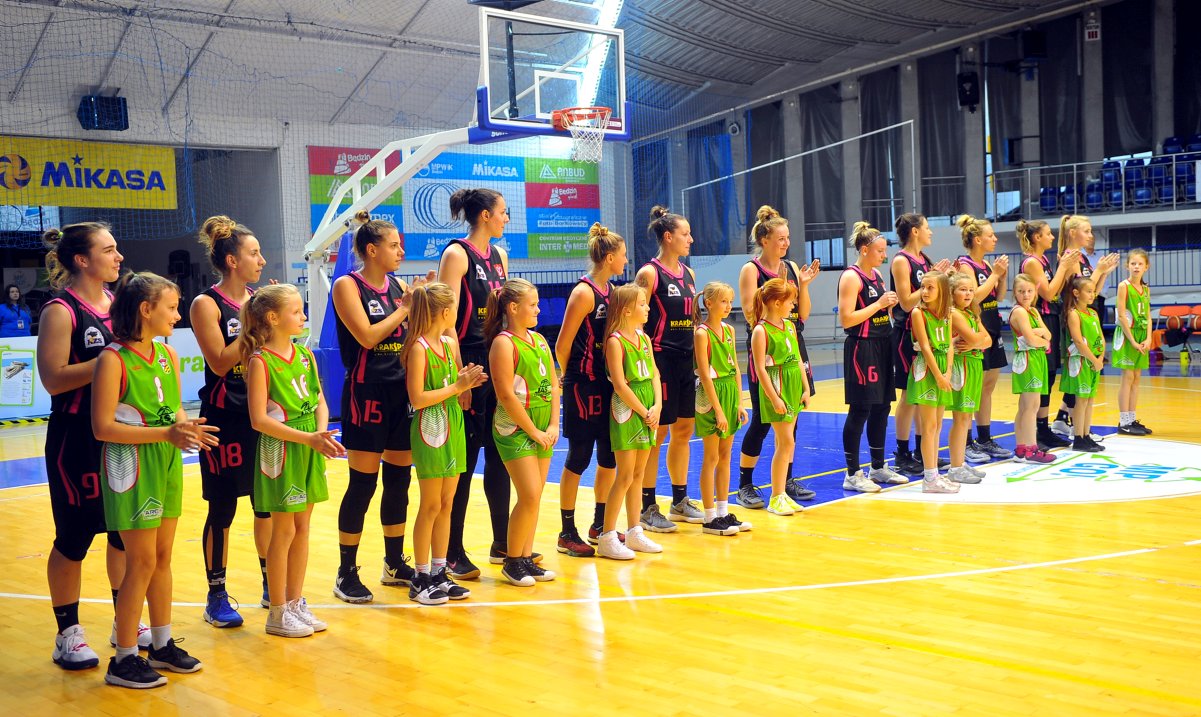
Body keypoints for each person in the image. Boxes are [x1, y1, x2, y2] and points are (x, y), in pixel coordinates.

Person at [93, 272, 216, 687]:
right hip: (130, 463)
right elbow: (102, 428)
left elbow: (175, 410)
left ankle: (161, 644)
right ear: (146, 310)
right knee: (141, 561)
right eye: (172, 307)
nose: (177, 316)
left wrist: (187, 428)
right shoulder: (113, 359)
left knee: (162, 557)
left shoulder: (167, 354)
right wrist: (167, 433)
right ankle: (124, 657)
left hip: (165, 460)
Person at [37, 224, 145, 671]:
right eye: (109, 249)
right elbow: (53, 379)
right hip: (76, 436)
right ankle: (68, 634)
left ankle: (126, 622)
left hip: (119, 434)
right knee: (74, 537)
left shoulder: (121, 306)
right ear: (82, 260)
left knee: (123, 532)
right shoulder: (61, 311)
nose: (119, 257)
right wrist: (109, 359)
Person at [331, 213, 425, 604]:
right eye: (393, 245)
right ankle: (346, 572)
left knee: (399, 481)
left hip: (400, 393)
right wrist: (405, 308)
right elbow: (368, 337)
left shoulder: (400, 286)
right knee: (363, 484)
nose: (401, 251)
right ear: (372, 250)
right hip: (365, 394)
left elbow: (414, 336)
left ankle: (394, 563)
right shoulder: (346, 285)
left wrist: (424, 305)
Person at [242, 284, 343, 636]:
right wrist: (308, 438)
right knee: (283, 530)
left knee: (302, 528)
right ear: (273, 318)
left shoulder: (305, 355)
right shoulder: (260, 361)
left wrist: (320, 434)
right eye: (296, 311)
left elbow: (320, 401)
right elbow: (259, 420)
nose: (303, 316)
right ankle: (277, 610)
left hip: (309, 444)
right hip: (282, 447)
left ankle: (296, 602)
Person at [190, 216, 271, 628]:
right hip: (223, 420)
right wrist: (256, 324)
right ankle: (216, 595)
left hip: (261, 418)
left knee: (267, 506)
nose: (262, 260)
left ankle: (271, 583)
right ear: (232, 260)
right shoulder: (206, 304)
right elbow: (221, 362)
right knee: (222, 509)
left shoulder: (260, 298)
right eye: (254, 253)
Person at [437, 188, 511, 579]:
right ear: (485, 215)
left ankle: (503, 544)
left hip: (497, 358)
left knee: (500, 454)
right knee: (464, 463)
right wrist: (459, 379)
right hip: (466, 360)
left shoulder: (500, 256)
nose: (506, 219)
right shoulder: (456, 255)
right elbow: (445, 321)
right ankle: (452, 551)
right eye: (503, 212)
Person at [402, 283, 487, 604]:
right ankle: (420, 577)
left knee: (447, 502)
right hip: (430, 427)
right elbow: (417, 398)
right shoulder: (419, 348)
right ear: (446, 312)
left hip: (453, 423)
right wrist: (457, 387)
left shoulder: (450, 344)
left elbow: (454, 385)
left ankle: (439, 572)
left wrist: (468, 381)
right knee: (430, 504)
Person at [736, 206, 819, 508]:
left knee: (791, 421)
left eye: (788, 238)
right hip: (767, 344)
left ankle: (785, 482)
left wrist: (802, 286)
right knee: (762, 420)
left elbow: (803, 313)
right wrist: (774, 300)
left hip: (792, 340)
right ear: (765, 240)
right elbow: (750, 313)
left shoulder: (792, 267)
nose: (786, 243)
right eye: (781, 238)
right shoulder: (751, 270)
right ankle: (745, 484)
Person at [554, 223, 626, 557]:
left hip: (607, 385)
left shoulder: (613, 292)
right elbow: (562, 344)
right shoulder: (584, 293)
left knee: (609, 457)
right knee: (579, 457)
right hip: (582, 386)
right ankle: (567, 531)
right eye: (623, 255)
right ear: (609, 257)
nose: (625, 261)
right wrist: (570, 377)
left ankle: (600, 524)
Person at [487, 279, 560, 586]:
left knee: (535, 496)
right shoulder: (503, 343)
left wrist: (554, 424)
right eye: (533, 305)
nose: (538, 310)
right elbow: (505, 395)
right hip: (515, 426)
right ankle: (512, 561)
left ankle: (526, 557)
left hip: (542, 423)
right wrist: (533, 431)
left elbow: (554, 384)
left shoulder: (540, 340)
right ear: (513, 308)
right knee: (528, 494)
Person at [635, 206, 701, 532]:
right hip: (659, 359)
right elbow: (635, 317)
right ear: (668, 237)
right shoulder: (649, 273)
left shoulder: (689, 274)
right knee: (657, 433)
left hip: (685, 361)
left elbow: (693, 318)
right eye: (685, 234)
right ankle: (647, 506)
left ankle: (679, 500)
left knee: (684, 430)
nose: (691, 239)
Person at [837, 223, 906, 494]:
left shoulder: (876, 274)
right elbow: (846, 319)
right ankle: (852, 474)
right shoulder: (851, 277)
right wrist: (878, 304)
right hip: (861, 348)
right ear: (864, 250)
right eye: (879, 251)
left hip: (883, 344)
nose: (884, 255)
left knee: (882, 407)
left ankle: (877, 467)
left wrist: (887, 308)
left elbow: (878, 312)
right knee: (861, 409)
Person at [597, 284, 663, 559]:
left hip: (648, 407)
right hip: (627, 409)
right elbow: (620, 385)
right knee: (624, 475)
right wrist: (644, 411)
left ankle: (635, 531)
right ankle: (607, 536)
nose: (648, 308)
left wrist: (658, 406)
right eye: (642, 304)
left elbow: (655, 374)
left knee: (639, 474)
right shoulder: (615, 341)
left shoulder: (644, 338)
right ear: (626, 310)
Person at [890, 213, 952, 477]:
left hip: (929, 332)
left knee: (923, 397)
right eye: (927, 227)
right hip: (907, 333)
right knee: (909, 395)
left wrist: (940, 278)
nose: (931, 232)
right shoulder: (901, 260)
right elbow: (906, 303)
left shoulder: (924, 259)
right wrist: (931, 280)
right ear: (915, 231)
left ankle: (921, 451)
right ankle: (902, 453)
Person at [1050, 215, 1120, 441]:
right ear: (1073, 233)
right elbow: (1078, 290)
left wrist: (1104, 272)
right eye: (1087, 231)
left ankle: (1067, 421)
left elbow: (1093, 291)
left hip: (1087, 316)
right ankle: (1076, 428)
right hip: (1073, 319)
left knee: (1084, 378)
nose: (1091, 235)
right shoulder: (1069, 258)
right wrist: (1099, 270)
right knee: (1078, 374)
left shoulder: (1083, 258)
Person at [1018, 219, 1081, 450]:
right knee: (1042, 376)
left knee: (1050, 375)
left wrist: (1068, 270)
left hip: (1051, 317)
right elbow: (1047, 293)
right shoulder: (1032, 262)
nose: (1052, 237)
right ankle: (1037, 431)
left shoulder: (1043, 260)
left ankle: (1043, 429)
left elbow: (1056, 290)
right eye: (1048, 234)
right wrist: (1063, 267)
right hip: (1040, 318)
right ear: (1037, 237)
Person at [953, 215, 1012, 462]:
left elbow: (998, 296)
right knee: (973, 387)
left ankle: (985, 438)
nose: (995, 239)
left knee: (988, 386)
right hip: (975, 326)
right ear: (978, 239)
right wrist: (994, 275)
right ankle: (966, 442)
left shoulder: (987, 265)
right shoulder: (965, 265)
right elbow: (974, 297)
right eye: (990, 235)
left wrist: (1002, 276)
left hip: (992, 325)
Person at [693, 281, 750, 535]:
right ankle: (709, 517)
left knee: (726, 455)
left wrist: (739, 402)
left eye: (730, 301)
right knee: (712, 457)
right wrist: (717, 409)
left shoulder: (729, 330)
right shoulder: (702, 333)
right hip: (711, 394)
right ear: (709, 303)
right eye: (724, 301)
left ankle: (723, 512)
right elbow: (705, 374)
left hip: (729, 393)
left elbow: (736, 367)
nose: (728, 306)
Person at [749, 278, 809, 514]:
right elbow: (760, 369)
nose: (793, 306)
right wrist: (774, 398)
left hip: (793, 384)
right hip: (777, 385)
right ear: (776, 303)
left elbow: (798, 358)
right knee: (786, 442)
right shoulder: (761, 331)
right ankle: (776, 497)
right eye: (790, 302)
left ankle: (781, 493)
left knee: (786, 442)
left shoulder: (790, 326)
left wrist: (805, 387)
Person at [907, 272, 958, 493]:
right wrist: (938, 375)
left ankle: (934, 474)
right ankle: (929, 478)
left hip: (943, 368)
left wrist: (948, 371)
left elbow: (950, 345)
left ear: (942, 290)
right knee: (928, 426)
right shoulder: (918, 312)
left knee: (937, 425)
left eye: (930, 287)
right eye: (923, 287)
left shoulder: (948, 314)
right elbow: (926, 348)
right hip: (928, 369)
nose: (925, 291)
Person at [947, 272, 990, 486]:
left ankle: (960, 462)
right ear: (952, 292)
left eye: (971, 290)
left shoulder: (972, 313)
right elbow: (976, 338)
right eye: (963, 289)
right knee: (961, 417)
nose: (968, 293)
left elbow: (988, 341)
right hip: (961, 365)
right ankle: (955, 468)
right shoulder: (954, 313)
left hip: (974, 363)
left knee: (967, 418)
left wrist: (976, 342)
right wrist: (977, 341)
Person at [1009, 274, 1056, 464]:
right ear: (1015, 293)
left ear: (1035, 291)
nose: (1026, 294)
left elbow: (1049, 334)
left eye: (1029, 291)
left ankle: (1021, 449)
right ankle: (1031, 449)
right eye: (1021, 291)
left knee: (1027, 407)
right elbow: (1031, 339)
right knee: (1030, 407)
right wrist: (1043, 341)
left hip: (1037, 359)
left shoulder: (1034, 311)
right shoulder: (1019, 312)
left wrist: (1043, 335)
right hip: (1028, 359)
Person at [1060, 277, 1106, 452]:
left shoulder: (1093, 313)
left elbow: (1101, 337)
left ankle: (1086, 435)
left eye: (1093, 291)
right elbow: (1078, 341)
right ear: (1076, 293)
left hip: (1094, 361)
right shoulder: (1073, 313)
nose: (1092, 295)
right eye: (1088, 291)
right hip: (1080, 361)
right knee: (1081, 400)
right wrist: (1094, 360)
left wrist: (1100, 358)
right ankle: (1078, 438)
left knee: (1089, 400)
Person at [1112, 250, 1152, 435]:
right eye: (1133, 263)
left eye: (1140, 264)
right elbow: (1121, 316)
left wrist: (1148, 338)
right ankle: (1123, 422)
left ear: (1146, 267)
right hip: (1128, 334)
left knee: (1136, 378)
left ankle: (1132, 419)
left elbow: (1148, 316)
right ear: (1127, 266)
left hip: (1141, 335)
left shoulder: (1146, 289)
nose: (1136, 267)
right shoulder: (1124, 286)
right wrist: (1133, 341)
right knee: (1127, 377)